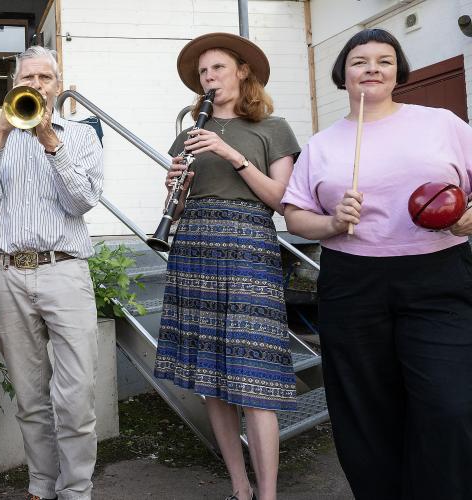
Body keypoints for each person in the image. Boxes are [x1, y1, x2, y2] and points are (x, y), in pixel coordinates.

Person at [282, 28, 472, 500]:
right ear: (342, 75)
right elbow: (294, 214)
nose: (372, 68)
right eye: (360, 61)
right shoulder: (323, 145)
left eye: (384, 61)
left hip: (439, 274)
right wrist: (329, 223)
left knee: (450, 403)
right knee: (366, 408)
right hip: (353, 282)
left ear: (398, 72)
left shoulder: (441, 124)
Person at [153, 33, 300, 500]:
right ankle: (240, 487)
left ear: (242, 72)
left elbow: (281, 200)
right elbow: (175, 211)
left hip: (249, 251)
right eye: (203, 73)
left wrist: (233, 155)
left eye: (218, 68)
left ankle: (269, 493)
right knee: (209, 379)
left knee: (254, 379)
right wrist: (173, 188)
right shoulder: (188, 134)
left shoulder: (273, 129)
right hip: (194, 248)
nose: (210, 77)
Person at [0, 45, 104, 500]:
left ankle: (77, 490)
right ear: (14, 85)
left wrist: (51, 144)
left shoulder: (81, 136)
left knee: (76, 395)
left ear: (57, 88)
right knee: (30, 397)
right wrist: (0, 134)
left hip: (64, 270)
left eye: (44, 78)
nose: (36, 86)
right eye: (27, 78)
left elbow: (82, 202)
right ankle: (41, 483)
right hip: (6, 274)